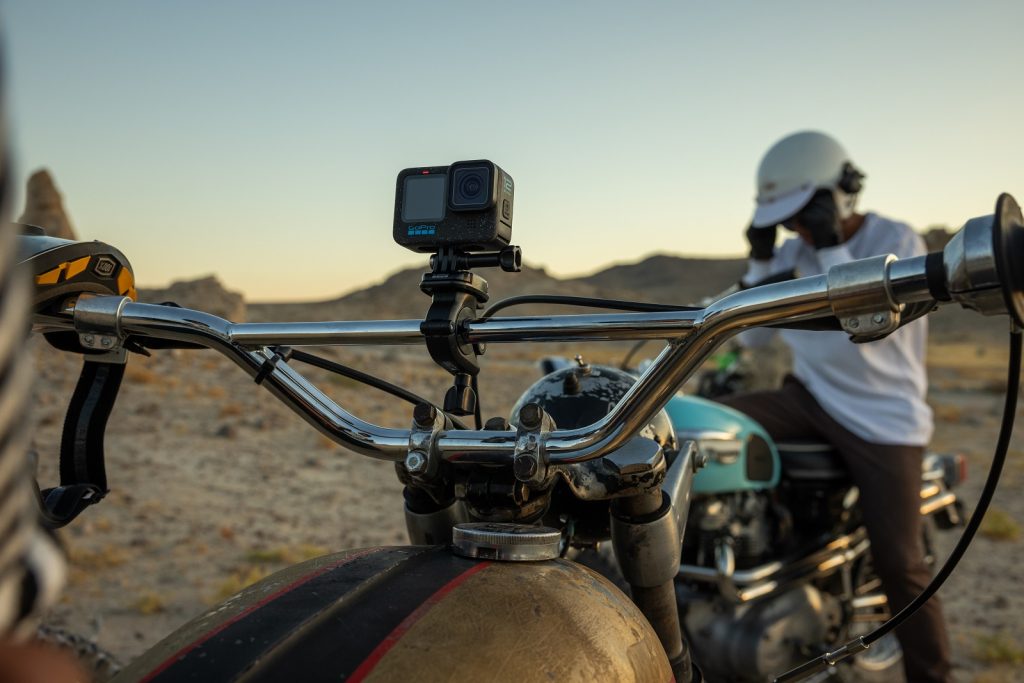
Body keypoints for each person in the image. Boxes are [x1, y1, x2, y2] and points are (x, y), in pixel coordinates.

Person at [723, 130, 951, 682]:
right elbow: (751, 342)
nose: (797, 228)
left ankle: (934, 676)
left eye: (805, 214)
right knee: (707, 428)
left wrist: (828, 244)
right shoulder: (791, 254)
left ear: (839, 194)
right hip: (809, 397)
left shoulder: (896, 237)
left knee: (901, 564)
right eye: (788, 220)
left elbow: (870, 325)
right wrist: (757, 259)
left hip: (883, 418)